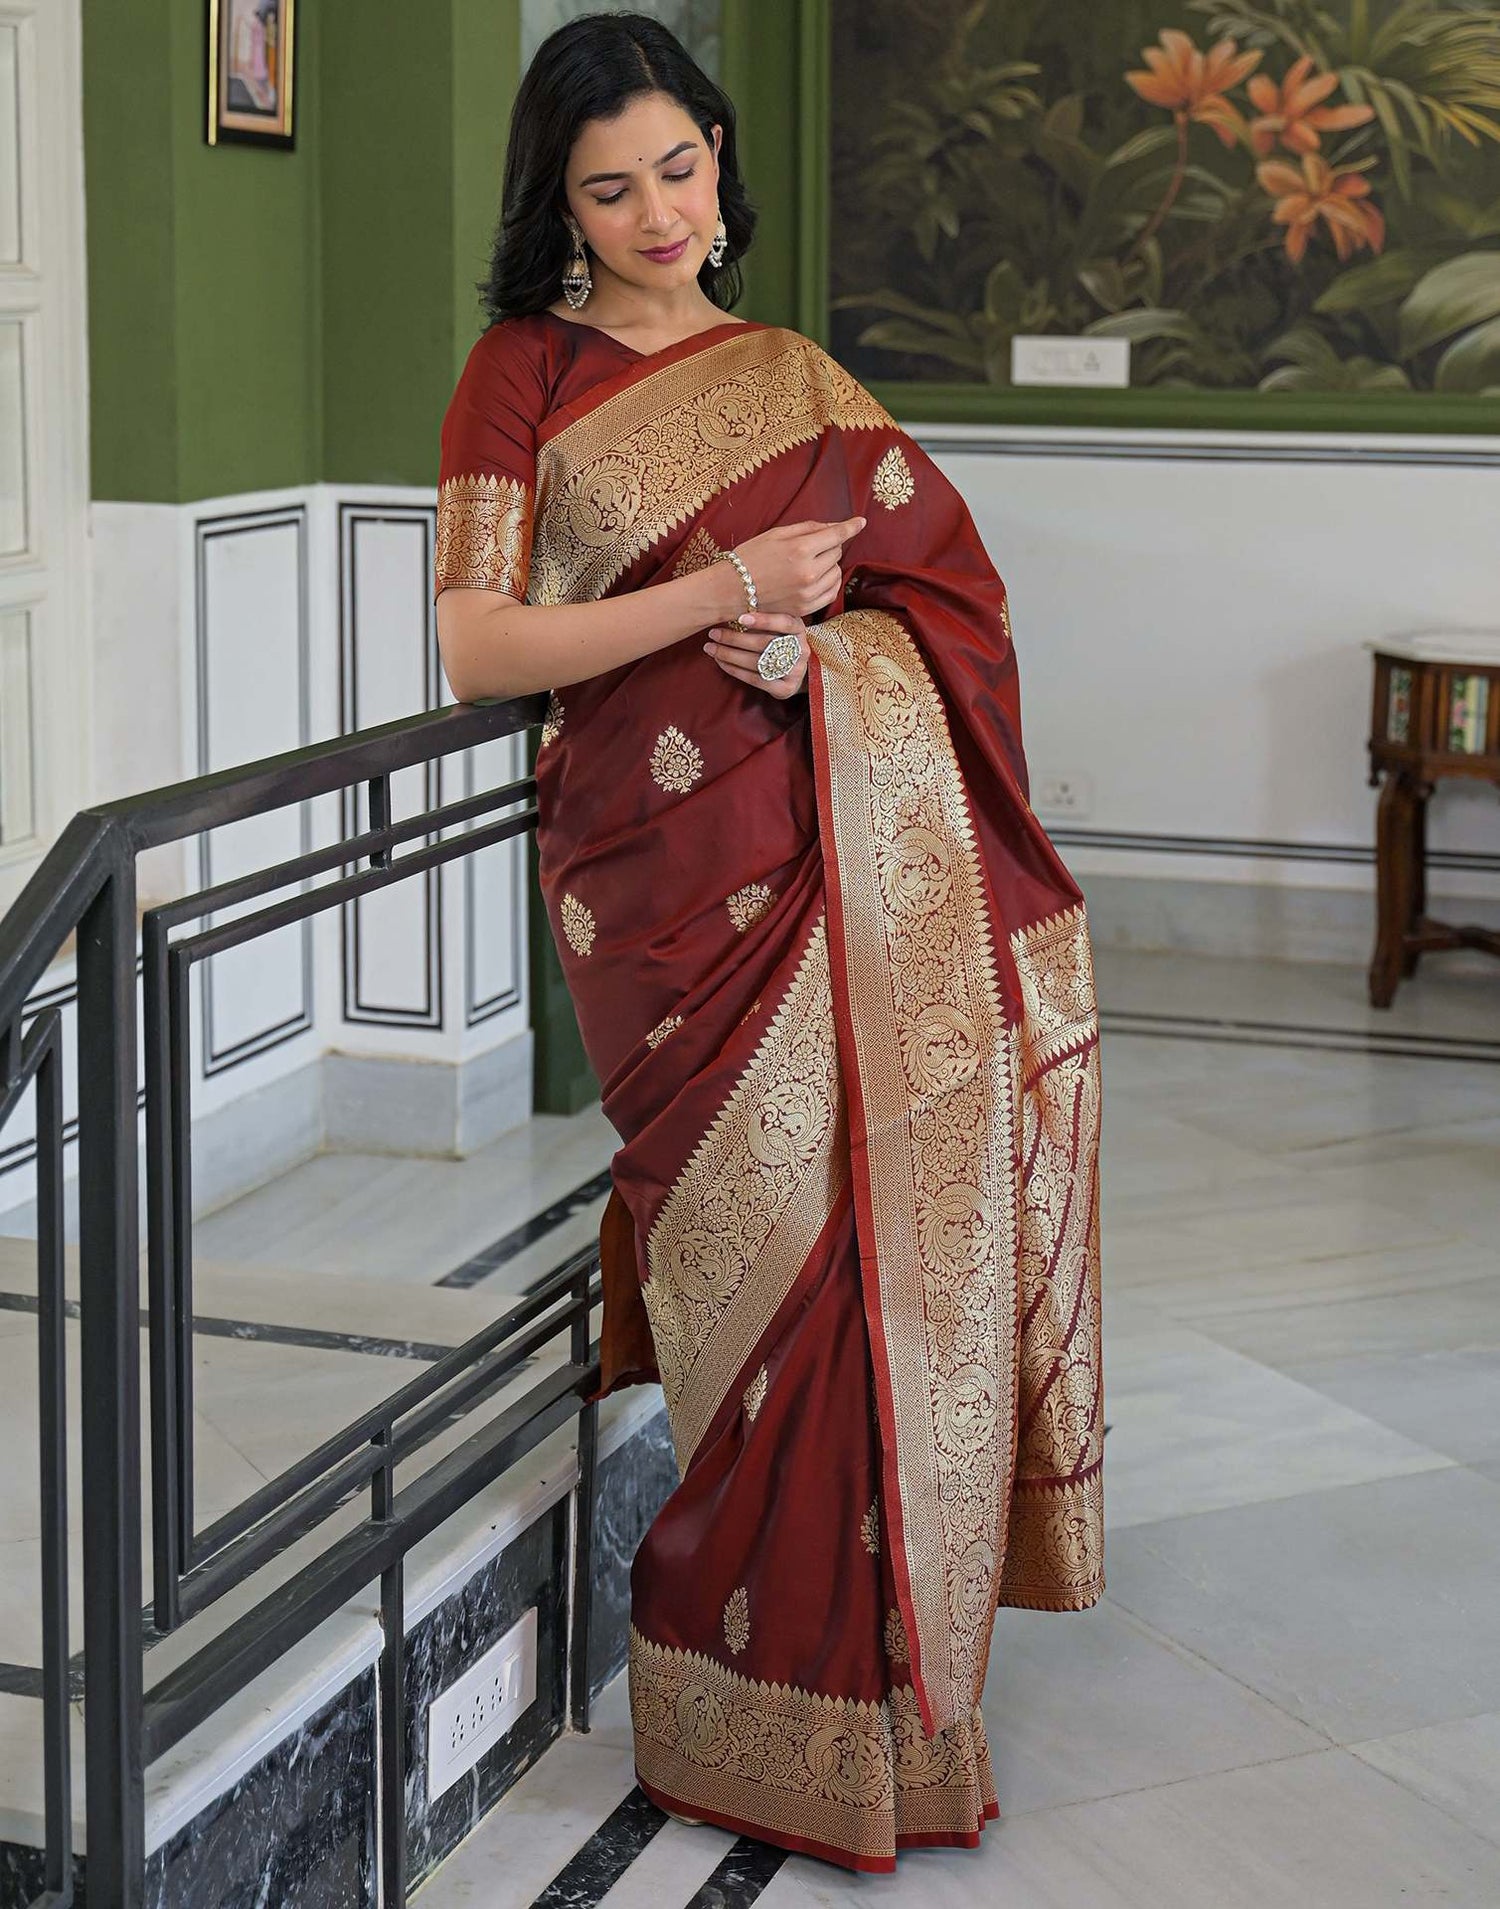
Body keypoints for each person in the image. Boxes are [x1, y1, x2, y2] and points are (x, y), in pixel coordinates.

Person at [434, 12, 1103, 1875]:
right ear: (556, 206)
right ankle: (742, 1712)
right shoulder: (522, 373)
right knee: (747, 1295)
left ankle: (876, 1723)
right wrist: (718, 593)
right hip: (651, 903)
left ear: (723, 161)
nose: (656, 211)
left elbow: (948, 613)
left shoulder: (799, 378)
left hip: (826, 863)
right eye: (607, 185)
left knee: (861, 1271)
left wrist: (827, 660)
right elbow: (478, 649)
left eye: (678, 165)